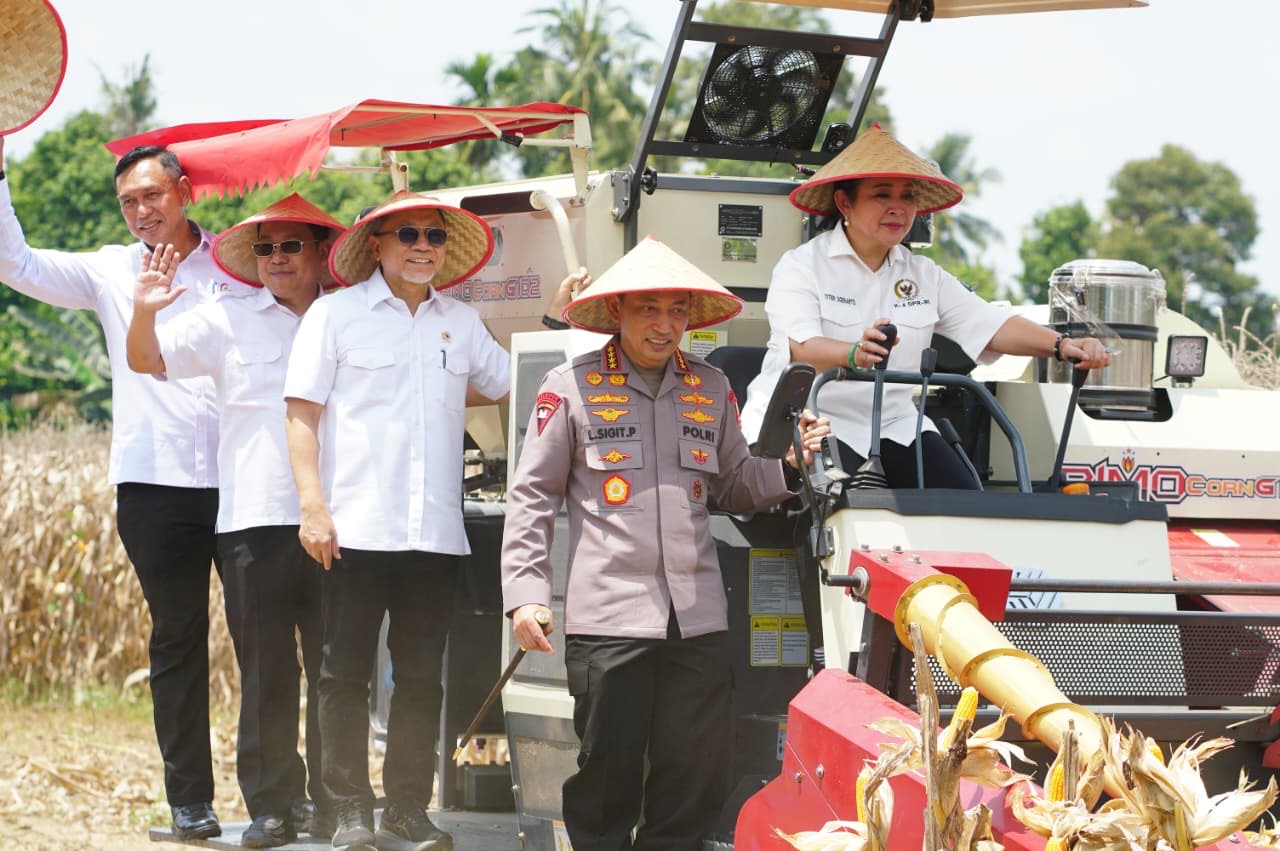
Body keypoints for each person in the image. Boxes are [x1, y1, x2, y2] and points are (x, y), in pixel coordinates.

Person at [501, 236, 828, 851]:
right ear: (618, 312)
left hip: (698, 620)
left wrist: (789, 464)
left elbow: (733, 483)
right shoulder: (568, 386)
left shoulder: (710, 388)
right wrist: (525, 595)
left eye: (677, 310)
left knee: (694, 775)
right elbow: (532, 498)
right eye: (649, 309)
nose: (665, 324)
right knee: (607, 775)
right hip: (610, 618)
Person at [0, 136, 253, 839]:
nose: (140, 211)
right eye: (128, 202)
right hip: (154, 484)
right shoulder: (110, 271)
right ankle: (190, 804)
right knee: (178, 637)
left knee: (258, 636)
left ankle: (275, 798)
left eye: (151, 195)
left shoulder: (239, 262)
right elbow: (13, 262)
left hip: (244, 480)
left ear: (183, 192)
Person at [283, 190, 509, 851]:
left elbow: (506, 381)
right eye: (407, 233)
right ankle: (349, 808)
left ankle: (408, 807)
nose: (422, 246)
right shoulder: (334, 315)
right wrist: (312, 507)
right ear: (376, 245)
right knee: (343, 673)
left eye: (434, 236)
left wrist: (565, 314)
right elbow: (301, 414)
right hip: (352, 530)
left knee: (420, 678)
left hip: (433, 534)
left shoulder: (461, 325)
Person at [125, 193, 345, 846]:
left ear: (320, 252)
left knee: (338, 670)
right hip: (252, 522)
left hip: (338, 521)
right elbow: (147, 359)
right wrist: (144, 310)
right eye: (266, 248)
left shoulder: (351, 319)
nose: (277, 259)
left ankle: (331, 804)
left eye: (291, 245)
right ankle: (273, 805)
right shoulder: (225, 318)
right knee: (269, 671)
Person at [740, 125, 1112, 489]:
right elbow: (802, 351)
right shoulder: (801, 265)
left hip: (896, 425)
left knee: (966, 506)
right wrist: (853, 353)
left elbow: (990, 325)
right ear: (844, 203)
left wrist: (1063, 346)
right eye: (882, 195)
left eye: (908, 197)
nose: (898, 209)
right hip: (812, 422)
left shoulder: (924, 274)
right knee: (856, 511)